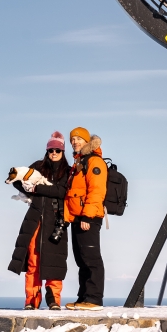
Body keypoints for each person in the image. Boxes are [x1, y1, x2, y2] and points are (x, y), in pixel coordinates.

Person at [8, 131, 70, 310]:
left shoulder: (67, 171)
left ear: (62, 152)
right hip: (35, 218)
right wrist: (28, 187)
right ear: (47, 150)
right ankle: (31, 300)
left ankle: (53, 300)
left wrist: (36, 188)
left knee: (54, 261)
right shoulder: (37, 166)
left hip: (57, 220)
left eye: (57, 150)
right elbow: (17, 180)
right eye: (51, 150)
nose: (54, 154)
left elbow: (62, 192)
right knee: (33, 261)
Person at [63, 127, 106, 311]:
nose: (75, 142)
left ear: (87, 141)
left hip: (89, 216)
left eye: (79, 139)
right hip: (77, 217)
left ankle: (94, 299)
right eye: (73, 139)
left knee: (91, 258)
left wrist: (87, 216)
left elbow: (96, 191)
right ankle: (83, 298)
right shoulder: (79, 163)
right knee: (81, 260)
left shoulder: (94, 162)